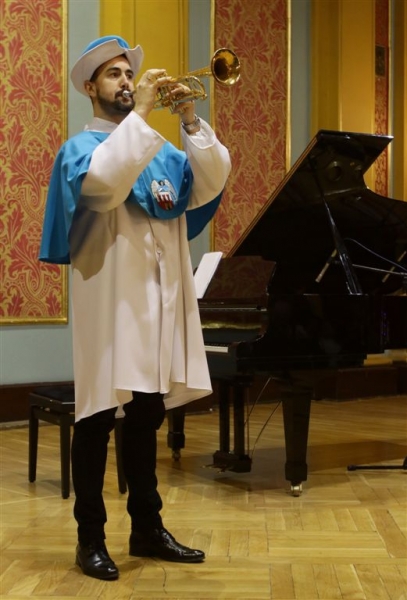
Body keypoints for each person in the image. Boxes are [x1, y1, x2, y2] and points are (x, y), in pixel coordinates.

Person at [39, 35, 231, 581]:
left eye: (129, 73)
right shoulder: (82, 151)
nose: (126, 82)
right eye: (114, 75)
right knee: (98, 416)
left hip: (159, 304)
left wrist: (190, 122)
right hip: (111, 303)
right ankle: (90, 539)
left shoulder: (160, 150)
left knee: (147, 414)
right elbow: (104, 184)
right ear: (90, 88)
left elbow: (210, 182)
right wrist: (143, 113)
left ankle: (147, 527)